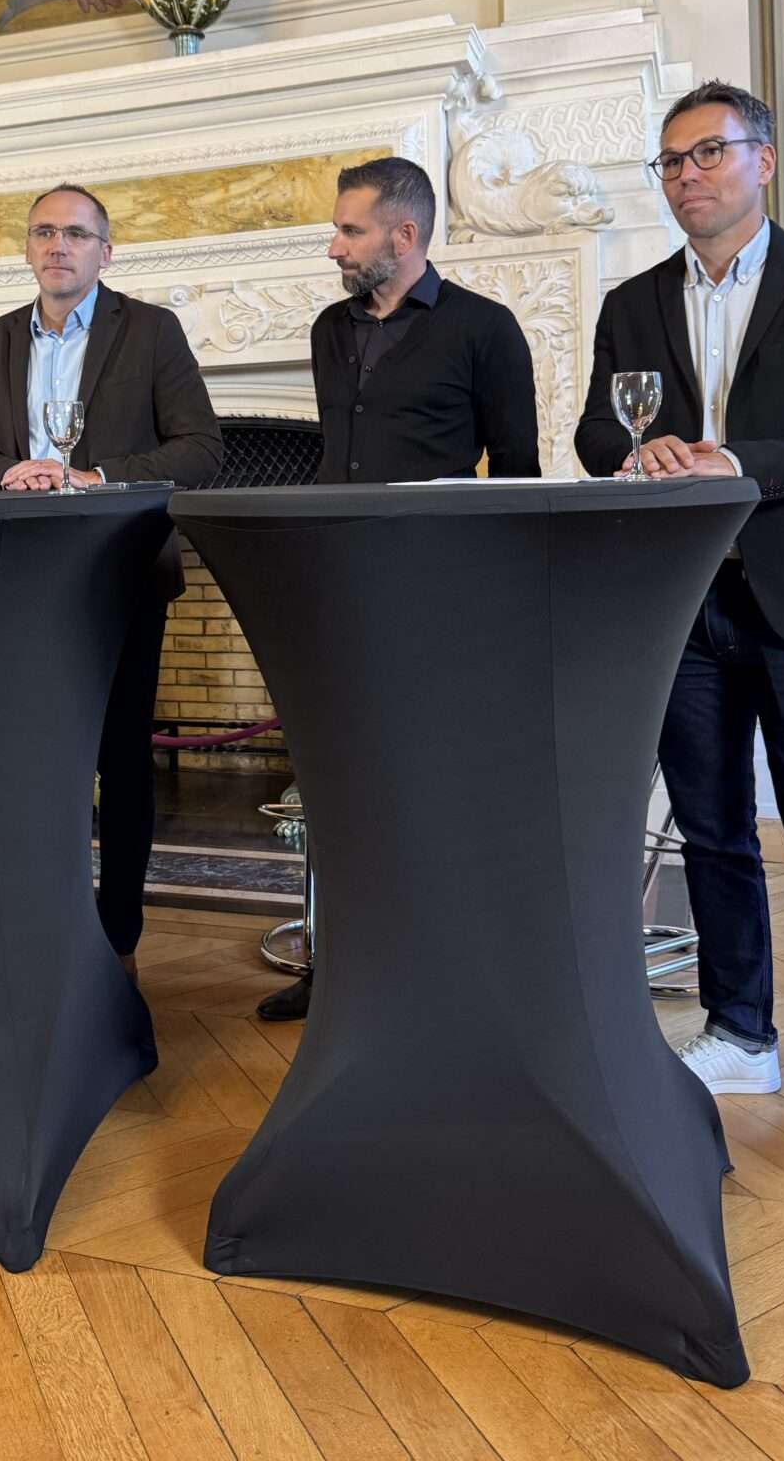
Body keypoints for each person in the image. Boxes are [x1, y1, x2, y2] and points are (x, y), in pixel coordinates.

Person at [575, 78, 784, 1201]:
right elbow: (594, 433)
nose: (686, 177)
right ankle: (739, 1031)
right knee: (712, 834)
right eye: (669, 162)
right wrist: (643, 453)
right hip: (680, 603)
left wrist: (740, 462)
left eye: (706, 154)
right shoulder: (629, 301)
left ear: (760, 162)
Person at [259, 155, 541, 1020]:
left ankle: (445, 973)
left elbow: (519, 478)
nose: (334, 247)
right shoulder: (328, 330)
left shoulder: (486, 330)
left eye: (350, 230)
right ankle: (336, 972)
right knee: (341, 787)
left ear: (404, 235)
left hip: (441, 601)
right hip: (341, 595)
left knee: (433, 791)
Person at [0, 187, 223, 976]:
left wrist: (93, 474)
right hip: (22, 577)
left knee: (121, 758)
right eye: (44, 231)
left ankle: (120, 938)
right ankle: (46, 923)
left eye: (76, 233)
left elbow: (202, 449)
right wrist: (12, 472)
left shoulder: (150, 330)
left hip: (121, 570)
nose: (58, 245)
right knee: (36, 758)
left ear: (106, 251)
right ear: (28, 248)